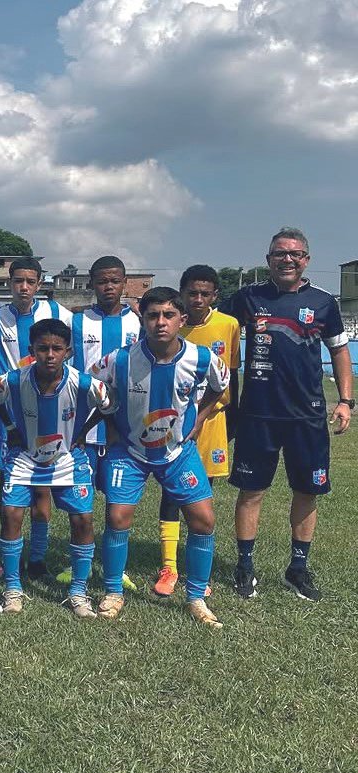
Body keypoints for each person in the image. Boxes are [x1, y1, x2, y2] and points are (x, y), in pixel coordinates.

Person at [224, 227, 352, 601]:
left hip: (307, 417)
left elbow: (340, 353)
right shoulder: (247, 298)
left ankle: (298, 568)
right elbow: (211, 326)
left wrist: (346, 400)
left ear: (306, 259)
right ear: (268, 260)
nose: (287, 259)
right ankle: (244, 565)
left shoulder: (324, 302)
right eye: (280, 253)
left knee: (307, 491)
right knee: (251, 491)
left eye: (295, 253)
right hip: (258, 415)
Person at [92, 287, 228, 627]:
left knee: (204, 520)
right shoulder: (119, 359)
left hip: (177, 452)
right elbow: (91, 388)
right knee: (118, 517)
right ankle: (113, 591)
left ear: (182, 319)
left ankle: (196, 598)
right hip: (130, 452)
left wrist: (199, 418)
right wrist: (107, 425)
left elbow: (220, 385)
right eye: (153, 315)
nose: (160, 323)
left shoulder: (202, 358)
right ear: (143, 319)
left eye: (168, 315)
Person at [0, 319, 115, 618]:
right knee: (10, 515)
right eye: (42, 348)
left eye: (56, 349)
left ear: (68, 352)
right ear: (31, 350)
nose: (49, 354)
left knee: (83, 520)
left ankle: (77, 592)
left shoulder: (84, 383)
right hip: (24, 458)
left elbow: (109, 407)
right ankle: (12, 588)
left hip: (67, 460)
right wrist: (10, 426)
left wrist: (83, 432)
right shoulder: (11, 380)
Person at [152, 265, 239, 597]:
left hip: (211, 420)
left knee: (201, 496)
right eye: (192, 293)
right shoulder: (172, 325)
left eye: (205, 294)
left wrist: (230, 418)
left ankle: (195, 568)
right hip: (171, 423)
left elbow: (231, 375)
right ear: (183, 293)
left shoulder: (228, 325)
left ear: (215, 295)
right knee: (171, 493)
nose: (198, 299)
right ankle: (169, 566)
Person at [54, 255, 141, 588]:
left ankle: (114, 566)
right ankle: (81, 564)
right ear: (91, 283)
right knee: (83, 501)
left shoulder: (137, 323)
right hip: (84, 428)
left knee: (117, 502)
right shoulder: (77, 323)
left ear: (124, 283)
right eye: (102, 281)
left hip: (125, 429)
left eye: (115, 280)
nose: (109, 287)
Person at [0, 257, 73, 579]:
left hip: (49, 413)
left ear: (39, 283)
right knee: (9, 488)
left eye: (30, 281)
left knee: (42, 489)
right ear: (10, 283)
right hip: (10, 415)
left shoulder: (60, 315)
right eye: (17, 281)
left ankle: (37, 557)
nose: (23, 287)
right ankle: (6, 554)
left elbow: (70, 355)